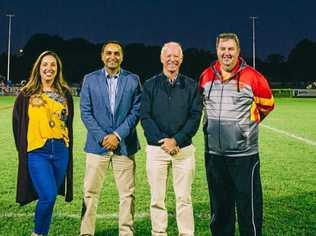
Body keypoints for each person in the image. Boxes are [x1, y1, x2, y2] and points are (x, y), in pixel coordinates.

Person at [199, 33, 275, 236]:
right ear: (217, 51)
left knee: (247, 207)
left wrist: (244, 128)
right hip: (214, 154)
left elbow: (267, 105)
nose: (226, 53)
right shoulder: (206, 76)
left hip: (244, 156)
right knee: (220, 208)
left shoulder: (253, 76)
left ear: (238, 51)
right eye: (222, 49)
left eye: (231, 49)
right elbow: (202, 106)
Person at [79, 41, 142, 236]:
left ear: (122, 57)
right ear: (102, 56)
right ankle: (86, 232)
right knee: (90, 193)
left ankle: (126, 232)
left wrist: (117, 135)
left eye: (116, 53)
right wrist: (103, 137)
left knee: (127, 195)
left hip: (124, 145)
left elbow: (136, 110)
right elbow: (85, 112)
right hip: (97, 146)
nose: (112, 56)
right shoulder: (90, 79)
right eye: (108, 53)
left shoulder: (133, 79)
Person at [140, 42, 202, 236]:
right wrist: (163, 141)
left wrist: (177, 140)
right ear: (161, 58)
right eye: (168, 55)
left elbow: (195, 116)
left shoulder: (192, 85)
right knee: (157, 198)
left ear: (181, 59)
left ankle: (186, 233)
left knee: (184, 198)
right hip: (157, 150)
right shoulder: (150, 84)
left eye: (176, 56)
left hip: (183, 150)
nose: (172, 59)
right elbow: (145, 116)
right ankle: (159, 233)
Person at [12, 50, 74, 236]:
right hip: (38, 152)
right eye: (45, 65)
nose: (49, 68)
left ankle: (42, 233)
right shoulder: (26, 94)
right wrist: (25, 149)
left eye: (53, 65)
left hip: (61, 151)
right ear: (38, 69)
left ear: (58, 69)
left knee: (51, 198)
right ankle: (37, 234)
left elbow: (68, 123)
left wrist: (66, 144)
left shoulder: (65, 94)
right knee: (47, 196)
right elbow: (17, 124)